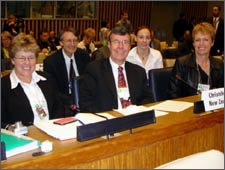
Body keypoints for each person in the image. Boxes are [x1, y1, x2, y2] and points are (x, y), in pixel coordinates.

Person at [79, 26, 153, 113]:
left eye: (125, 42)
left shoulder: (139, 72)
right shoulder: (94, 70)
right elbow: (86, 103)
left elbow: (147, 99)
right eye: (116, 42)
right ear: (109, 45)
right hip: (107, 121)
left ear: (130, 46)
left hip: (134, 119)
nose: (121, 46)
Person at [1, 33, 65, 128]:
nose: (27, 63)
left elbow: (58, 108)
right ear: (13, 60)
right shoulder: (3, 87)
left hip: (53, 134)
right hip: (22, 139)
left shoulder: (47, 79)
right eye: (22, 58)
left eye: (31, 57)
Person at [168, 22, 224, 99]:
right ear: (193, 43)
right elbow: (173, 94)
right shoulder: (182, 63)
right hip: (188, 109)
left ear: (212, 42)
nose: (201, 44)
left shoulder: (219, 64)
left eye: (205, 40)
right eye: (198, 40)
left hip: (213, 109)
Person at [43, 27, 91, 116]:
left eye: (75, 40)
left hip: (84, 101)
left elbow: (89, 80)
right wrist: (72, 102)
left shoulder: (83, 56)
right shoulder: (51, 62)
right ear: (61, 42)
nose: (72, 44)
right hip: (63, 105)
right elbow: (52, 91)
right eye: (69, 41)